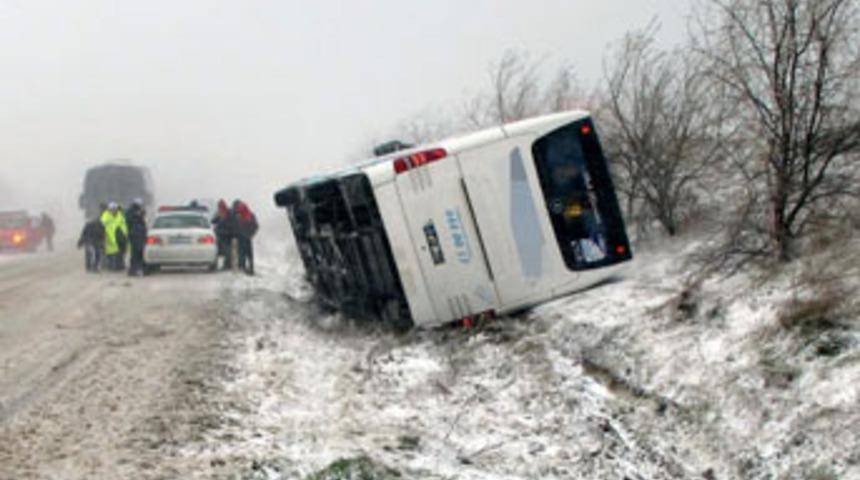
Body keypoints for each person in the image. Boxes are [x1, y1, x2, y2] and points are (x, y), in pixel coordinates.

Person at [233, 199, 258, 275]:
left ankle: (244, 268)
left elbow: (255, 226)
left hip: (243, 237)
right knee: (248, 253)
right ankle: (249, 268)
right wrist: (251, 234)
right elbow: (256, 226)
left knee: (242, 252)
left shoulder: (238, 216)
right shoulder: (250, 214)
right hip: (246, 236)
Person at [101, 202, 128, 271]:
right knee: (109, 255)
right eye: (112, 209)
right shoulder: (105, 216)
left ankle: (119, 266)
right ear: (109, 209)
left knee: (120, 253)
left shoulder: (120, 215)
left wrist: (124, 234)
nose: (113, 210)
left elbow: (124, 225)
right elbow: (102, 226)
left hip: (120, 238)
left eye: (114, 209)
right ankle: (110, 266)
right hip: (109, 238)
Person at [211, 199, 236, 270]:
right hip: (220, 234)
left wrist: (222, 221)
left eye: (221, 205)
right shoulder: (219, 213)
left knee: (228, 251)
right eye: (219, 206)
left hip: (227, 235)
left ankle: (228, 265)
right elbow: (213, 221)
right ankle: (218, 265)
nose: (220, 207)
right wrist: (218, 216)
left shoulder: (230, 212)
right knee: (217, 250)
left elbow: (232, 222)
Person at [126, 198, 148, 277]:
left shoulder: (137, 212)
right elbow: (131, 221)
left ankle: (138, 269)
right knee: (136, 253)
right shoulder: (130, 212)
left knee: (139, 253)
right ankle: (133, 270)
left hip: (139, 235)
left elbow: (142, 223)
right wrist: (138, 215)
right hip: (135, 236)